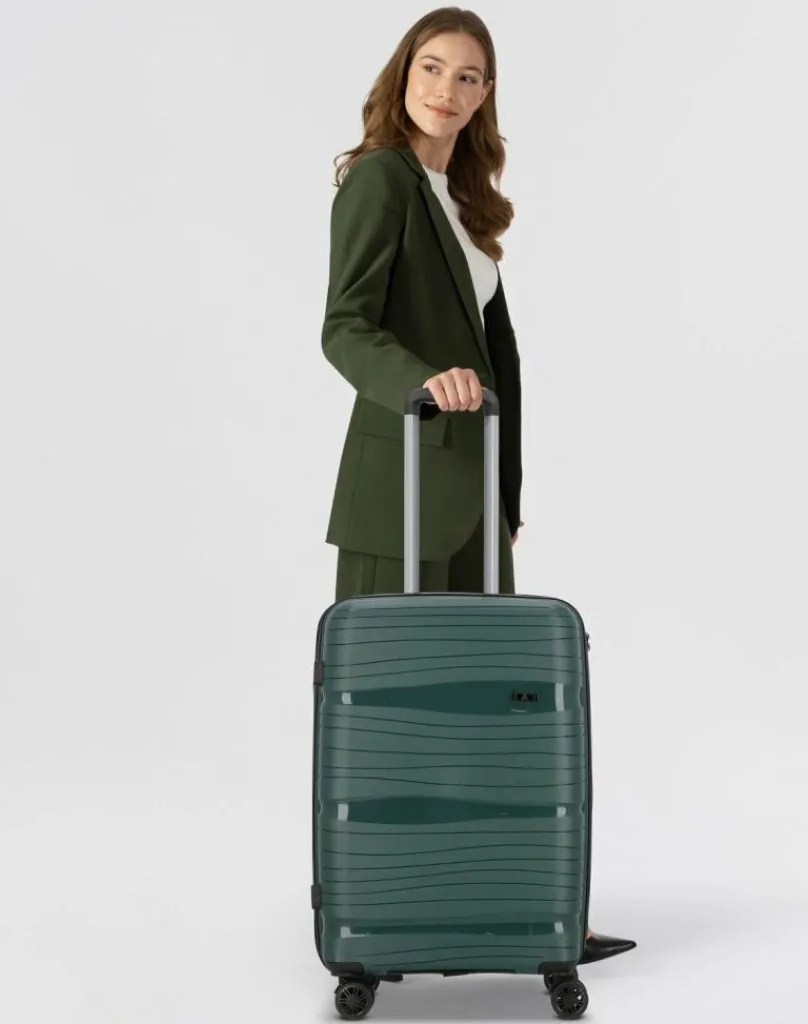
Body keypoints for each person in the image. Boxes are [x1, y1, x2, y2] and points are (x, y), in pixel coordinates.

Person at [320, 6, 635, 966]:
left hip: (474, 496)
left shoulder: (462, 201)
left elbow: (501, 361)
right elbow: (344, 327)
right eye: (432, 67)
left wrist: (509, 495)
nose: (446, 89)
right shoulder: (380, 178)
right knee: (391, 720)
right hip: (401, 489)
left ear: (486, 94)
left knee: (490, 714)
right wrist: (420, 380)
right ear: (402, 72)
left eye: (468, 76)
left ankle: (521, 906)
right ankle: (381, 913)